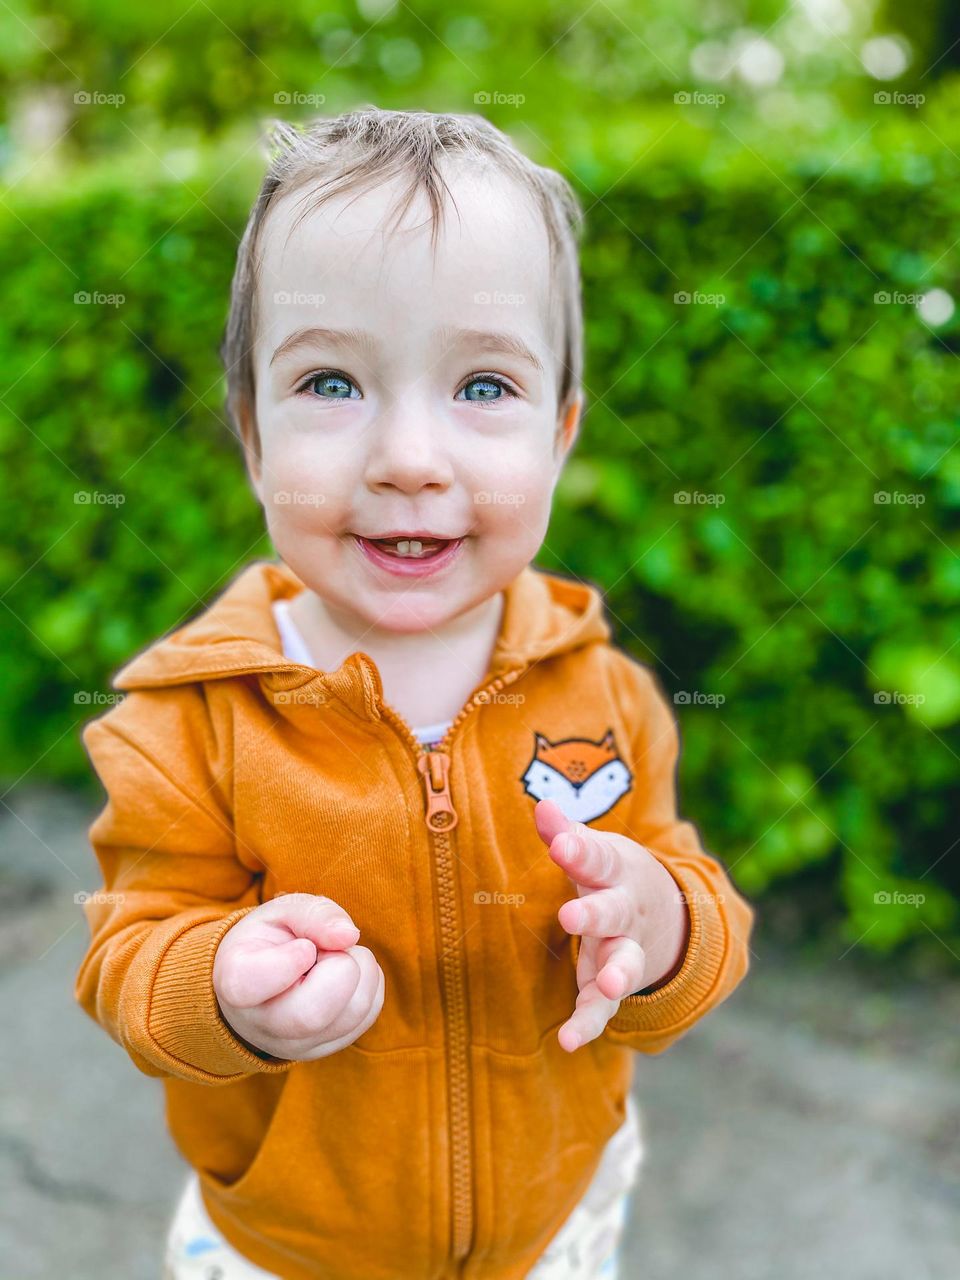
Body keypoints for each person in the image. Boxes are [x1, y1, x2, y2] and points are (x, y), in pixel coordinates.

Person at [74, 106, 756, 1280]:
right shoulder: (185, 725)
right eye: (331, 379)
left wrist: (663, 924)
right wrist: (223, 986)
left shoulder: (604, 689)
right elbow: (128, 955)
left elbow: (693, 897)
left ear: (559, 433)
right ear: (253, 437)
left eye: (483, 384)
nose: (407, 458)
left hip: (553, 1228)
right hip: (289, 1248)